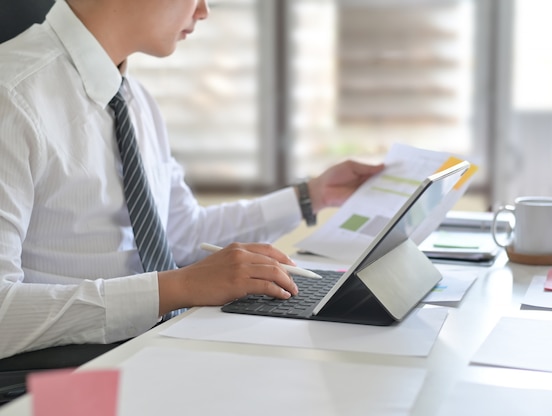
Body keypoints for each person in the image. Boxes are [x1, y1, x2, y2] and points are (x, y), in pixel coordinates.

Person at [0, 0, 384, 360]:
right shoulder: (12, 97)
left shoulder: (135, 101)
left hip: (145, 348)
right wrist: (178, 288)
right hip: (67, 373)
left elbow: (180, 234)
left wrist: (310, 196)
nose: (204, 10)